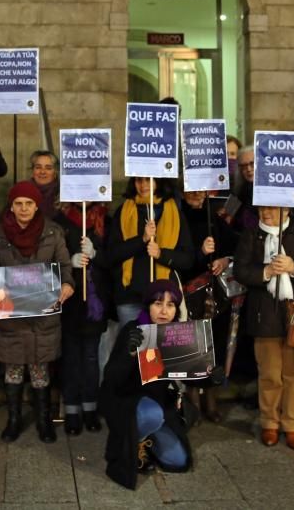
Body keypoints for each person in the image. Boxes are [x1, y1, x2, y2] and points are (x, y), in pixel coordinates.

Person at [0, 181, 75, 443]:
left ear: (37, 206)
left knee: (39, 369)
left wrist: (68, 284)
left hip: (42, 318)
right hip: (10, 319)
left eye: (29, 204)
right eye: (18, 203)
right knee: (13, 369)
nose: (23, 209)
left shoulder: (53, 233)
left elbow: (65, 266)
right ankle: (13, 420)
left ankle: (44, 420)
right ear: (11, 206)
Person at [233, 206, 294, 450]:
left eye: (272, 208)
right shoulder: (251, 234)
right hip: (264, 314)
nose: (266, 213)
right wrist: (265, 271)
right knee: (270, 373)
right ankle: (269, 422)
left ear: (287, 210)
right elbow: (240, 270)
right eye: (262, 208)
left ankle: (292, 425)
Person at [100, 280, 193, 490]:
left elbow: (191, 375)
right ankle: (136, 440)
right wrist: (129, 354)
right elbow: (111, 379)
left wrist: (212, 376)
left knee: (177, 461)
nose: (163, 311)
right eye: (158, 303)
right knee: (150, 414)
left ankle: (150, 436)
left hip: (158, 402)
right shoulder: (134, 330)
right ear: (148, 306)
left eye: (170, 305)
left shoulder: (177, 334)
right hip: (127, 400)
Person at [104, 177, 193, 367]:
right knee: (131, 356)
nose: (143, 185)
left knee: (160, 360)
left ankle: (156, 396)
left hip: (163, 302)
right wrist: (141, 239)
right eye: (138, 180)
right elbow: (111, 255)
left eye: (148, 180)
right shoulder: (124, 210)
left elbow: (187, 259)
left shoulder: (174, 212)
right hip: (130, 297)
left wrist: (161, 254)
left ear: (159, 182)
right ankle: (133, 396)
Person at [179, 189, 235, 422]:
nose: (196, 195)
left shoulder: (215, 217)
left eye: (200, 191)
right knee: (191, 344)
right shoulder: (177, 215)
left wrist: (225, 259)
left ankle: (211, 396)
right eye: (191, 190)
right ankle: (192, 396)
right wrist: (200, 253)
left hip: (214, 295)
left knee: (214, 343)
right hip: (187, 290)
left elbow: (236, 244)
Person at [57, 200, 110, 436]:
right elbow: (51, 257)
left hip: (95, 304)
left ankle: (90, 407)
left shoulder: (105, 220)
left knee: (91, 358)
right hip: (70, 302)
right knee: (71, 359)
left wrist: (96, 254)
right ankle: (71, 409)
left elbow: (114, 259)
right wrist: (70, 261)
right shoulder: (61, 221)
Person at [28, 150, 60, 217]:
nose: (42, 172)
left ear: (55, 173)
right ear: (32, 171)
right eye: (38, 167)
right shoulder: (21, 192)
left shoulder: (64, 195)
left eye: (48, 168)